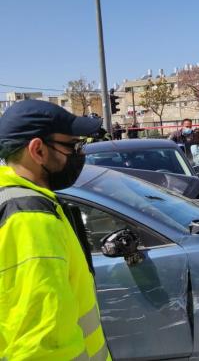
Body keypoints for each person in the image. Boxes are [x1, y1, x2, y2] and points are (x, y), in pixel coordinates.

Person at [0, 100, 111, 360]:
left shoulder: (24, 201)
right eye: (71, 146)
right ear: (38, 150)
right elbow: (42, 345)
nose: (79, 154)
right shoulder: (29, 217)